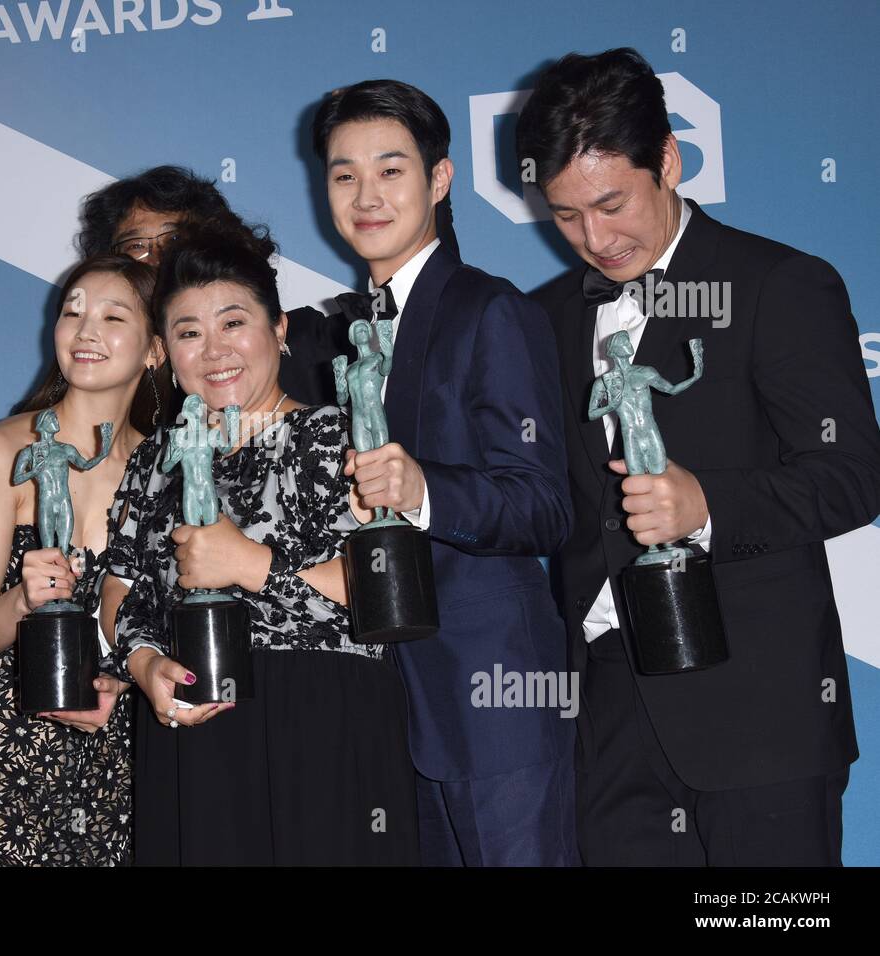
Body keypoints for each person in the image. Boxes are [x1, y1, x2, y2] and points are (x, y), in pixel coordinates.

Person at [519, 47, 880, 866]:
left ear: (670, 161)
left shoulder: (777, 284)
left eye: (611, 204)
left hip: (763, 718)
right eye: (566, 215)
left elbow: (854, 473)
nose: (594, 238)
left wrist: (707, 506)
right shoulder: (540, 319)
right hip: (607, 716)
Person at [309, 79, 577, 866]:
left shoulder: (490, 310)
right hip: (387, 708)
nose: (366, 195)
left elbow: (544, 507)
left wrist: (424, 490)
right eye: (343, 173)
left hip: (497, 699)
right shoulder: (337, 334)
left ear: (439, 179)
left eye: (390, 170)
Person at [102, 225, 419, 865]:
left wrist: (252, 565)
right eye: (189, 332)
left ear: (278, 329)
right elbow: (122, 591)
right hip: (189, 730)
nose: (213, 350)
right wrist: (145, 668)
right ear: (163, 349)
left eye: (234, 323)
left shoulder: (343, 439)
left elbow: (384, 603)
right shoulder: (152, 460)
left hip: (325, 726)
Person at [0, 254, 167, 866]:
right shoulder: (4, 450)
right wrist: (22, 601)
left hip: (114, 770)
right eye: (72, 312)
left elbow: (155, 633)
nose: (85, 331)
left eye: (112, 316)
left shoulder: (166, 473)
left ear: (155, 349)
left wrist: (123, 684)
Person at [77, 164, 352, 406]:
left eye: (174, 240)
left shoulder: (313, 344)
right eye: (135, 247)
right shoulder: (109, 374)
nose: (159, 259)